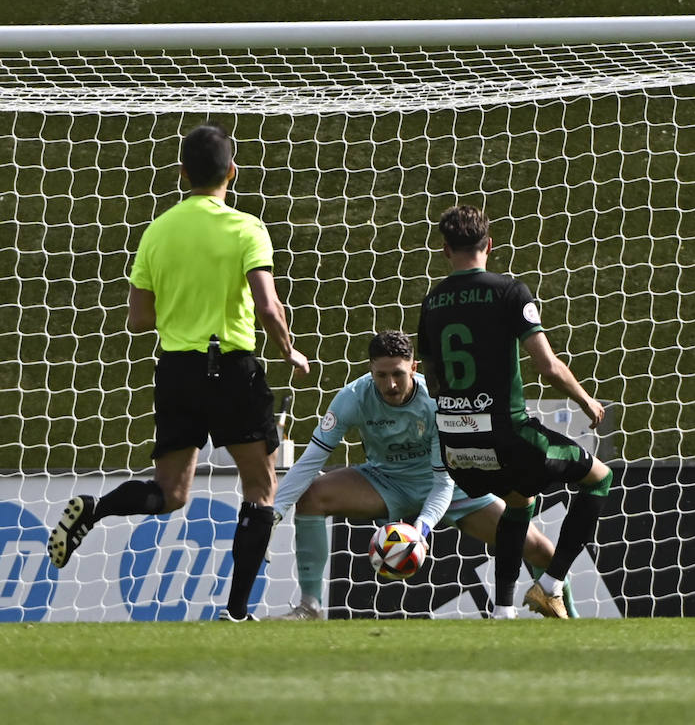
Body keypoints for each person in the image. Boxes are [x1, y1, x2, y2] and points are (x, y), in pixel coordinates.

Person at [46, 122, 310, 621]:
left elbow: (138, 318)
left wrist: (183, 305)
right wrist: (289, 351)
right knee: (260, 489)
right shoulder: (246, 228)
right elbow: (268, 305)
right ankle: (236, 613)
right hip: (231, 367)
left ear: (183, 173)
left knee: (170, 494)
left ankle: (96, 509)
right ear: (233, 171)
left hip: (177, 371)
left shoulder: (158, 231)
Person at [268, 330, 577, 619]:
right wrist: (273, 514)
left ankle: (571, 622)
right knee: (312, 496)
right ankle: (310, 606)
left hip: (452, 487)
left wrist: (421, 529)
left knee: (541, 552)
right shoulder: (353, 396)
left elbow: (443, 482)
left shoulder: (437, 400)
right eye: (381, 375)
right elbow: (310, 461)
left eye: (398, 374)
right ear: (370, 370)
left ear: (414, 367)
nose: (390, 385)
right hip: (384, 482)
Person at [415, 204, 611, 619]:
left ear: (445, 250)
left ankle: (503, 611)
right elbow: (548, 366)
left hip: (456, 450)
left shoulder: (432, 302)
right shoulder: (509, 291)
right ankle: (551, 585)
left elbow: (431, 380)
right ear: (489, 245)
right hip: (508, 439)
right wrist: (585, 400)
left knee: (519, 501)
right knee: (599, 477)